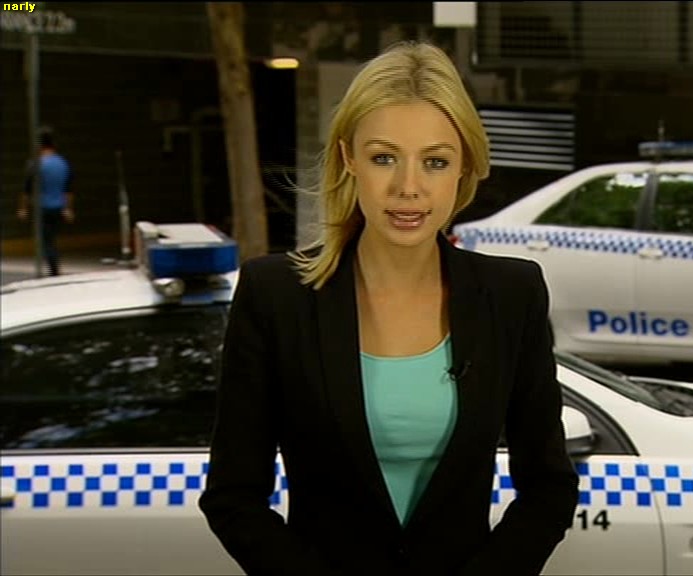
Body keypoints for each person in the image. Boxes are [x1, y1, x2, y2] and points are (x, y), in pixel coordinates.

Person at [199, 41, 579, 576]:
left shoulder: (512, 293)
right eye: (384, 158)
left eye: (435, 162)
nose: (408, 187)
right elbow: (233, 496)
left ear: (464, 167)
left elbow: (549, 488)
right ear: (348, 158)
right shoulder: (275, 294)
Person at [18, 126, 74, 276]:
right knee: (52, 238)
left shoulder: (35, 164)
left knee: (46, 241)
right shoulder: (62, 163)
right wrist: (68, 208)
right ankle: (53, 266)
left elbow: (27, 190)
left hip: (42, 207)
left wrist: (23, 208)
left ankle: (53, 269)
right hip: (58, 207)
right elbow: (68, 189)